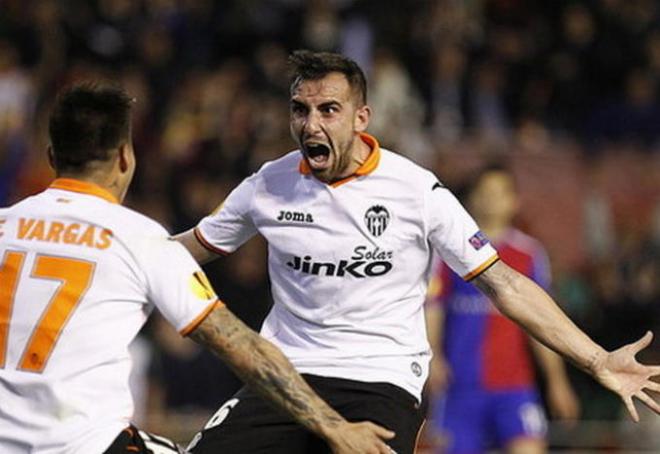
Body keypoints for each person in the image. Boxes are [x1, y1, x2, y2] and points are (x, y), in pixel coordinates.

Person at [175, 50, 660, 454]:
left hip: (380, 381)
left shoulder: (415, 191)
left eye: (328, 110)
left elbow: (504, 283)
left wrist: (597, 360)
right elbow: (190, 249)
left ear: (361, 117)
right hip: (284, 374)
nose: (310, 123)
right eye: (300, 110)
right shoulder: (268, 185)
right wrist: (117, 245)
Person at [0, 84, 395, 454]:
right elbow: (242, 348)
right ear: (125, 157)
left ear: (52, 157)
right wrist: (335, 427)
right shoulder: (140, 240)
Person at [425, 164, 580, 453]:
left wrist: (557, 382)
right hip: (460, 387)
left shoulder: (529, 253)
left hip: (515, 387)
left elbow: (541, 322)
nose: (491, 200)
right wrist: (433, 355)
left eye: (499, 193)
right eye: (484, 193)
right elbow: (433, 307)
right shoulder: (449, 250)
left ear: (514, 201)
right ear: (470, 199)